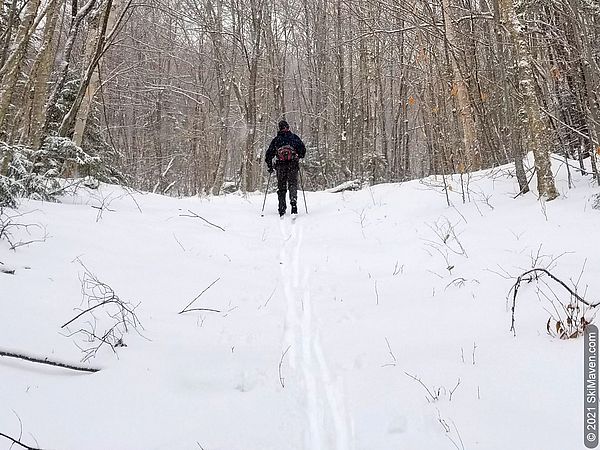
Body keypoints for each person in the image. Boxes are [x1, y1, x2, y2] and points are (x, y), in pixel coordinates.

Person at [265, 120, 306, 216]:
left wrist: (270, 167)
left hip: (280, 165)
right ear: (288, 127)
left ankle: (282, 208)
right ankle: (294, 205)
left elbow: (268, 155)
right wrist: (298, 156)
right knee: (292, 184)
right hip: (293, 165)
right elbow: (303, 150)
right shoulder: (294, 138)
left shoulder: (276, 140)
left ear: (279, 128)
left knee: (281, 186)